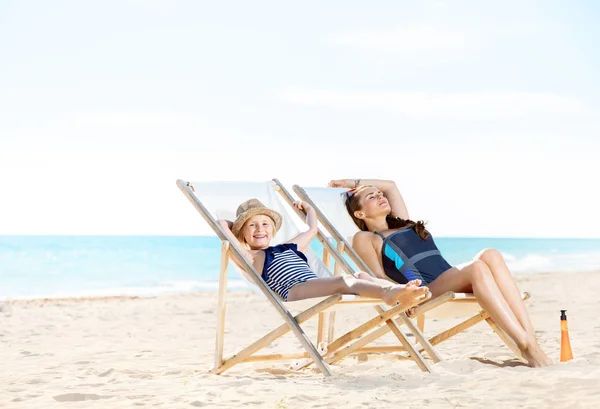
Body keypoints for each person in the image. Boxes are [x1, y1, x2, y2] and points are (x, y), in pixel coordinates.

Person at [329, 178, 553, 368]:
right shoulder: (366, 238)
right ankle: (525, 346)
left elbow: (390, 185)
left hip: (449, 278)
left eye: (379, 194)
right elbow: (378, 277)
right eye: (371, 197)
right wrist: (403, 295)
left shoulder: (403, 223)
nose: (380, 196)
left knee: (490, 254)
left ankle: (530, 342)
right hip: (426, 290)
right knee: (476, 267)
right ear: (359, 213)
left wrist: (353, 183)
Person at [217, 198, 430, 308]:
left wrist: (309, 210)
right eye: (252, 225)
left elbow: (312, 230)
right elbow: (223, 229)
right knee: (345, 280)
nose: (260, 229)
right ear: (242, 234)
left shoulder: (289, 246)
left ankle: (402, 292)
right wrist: (230, 224)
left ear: (273, 230)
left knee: (361, 276)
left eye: (265, 224)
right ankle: (388, 294)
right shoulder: (250, 256)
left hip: (313, 284)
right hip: (295, 291)